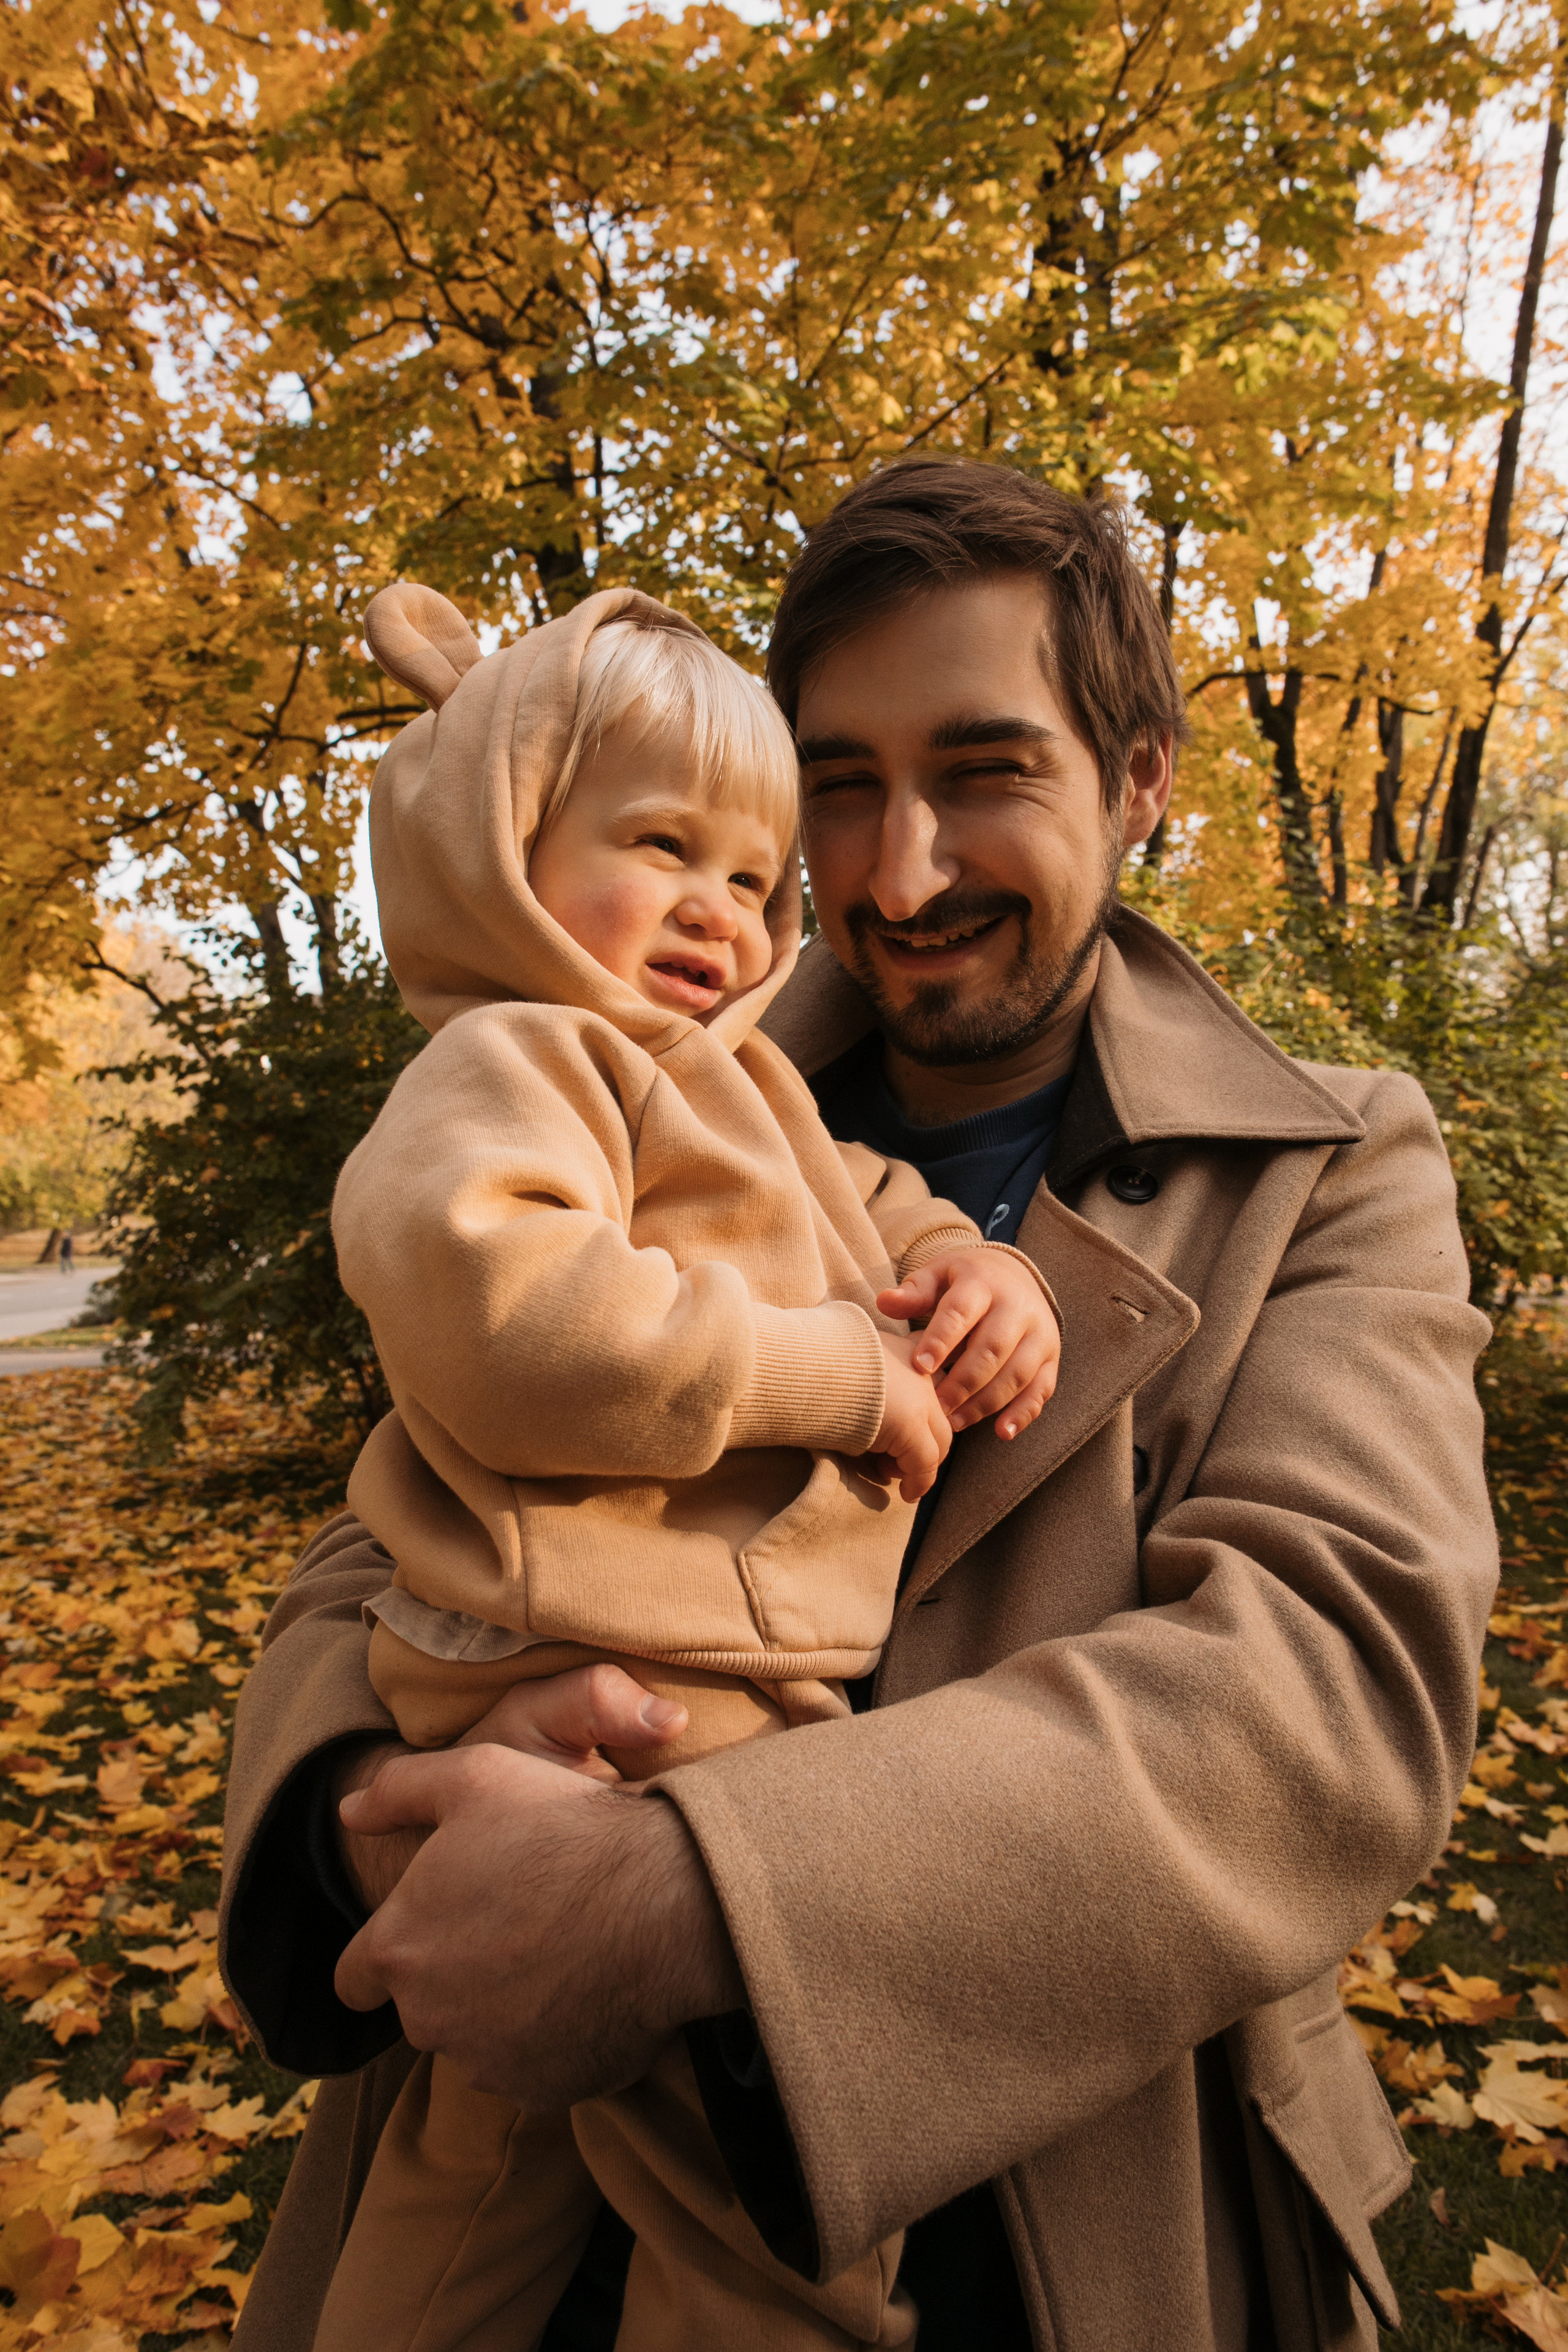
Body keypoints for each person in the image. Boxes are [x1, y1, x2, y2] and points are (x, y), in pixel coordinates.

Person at [220, 464, 1498, 2352]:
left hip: (1069, 2216)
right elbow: (377, 1534)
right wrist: (366, 1813)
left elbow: (1330, 1687)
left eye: (987, 772)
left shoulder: (1328, 1165)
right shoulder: (635, 1068)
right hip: (517, 2135)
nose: (898, 876)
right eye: (839, 786)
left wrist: (685, 1899)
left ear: (1140, 779)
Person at [309, 579, 1057, 2352]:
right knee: (766, 2199)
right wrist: (836, 1375)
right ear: (504, 849)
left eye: (750, 874)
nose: (720, 909)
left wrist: (983, 1272)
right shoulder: (520, 1061)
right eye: (661, 846)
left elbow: (872, 1210)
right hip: (635, 1671)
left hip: (643, 1654)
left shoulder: (729, 1084)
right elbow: (513, 1314)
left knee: (480, 2162)